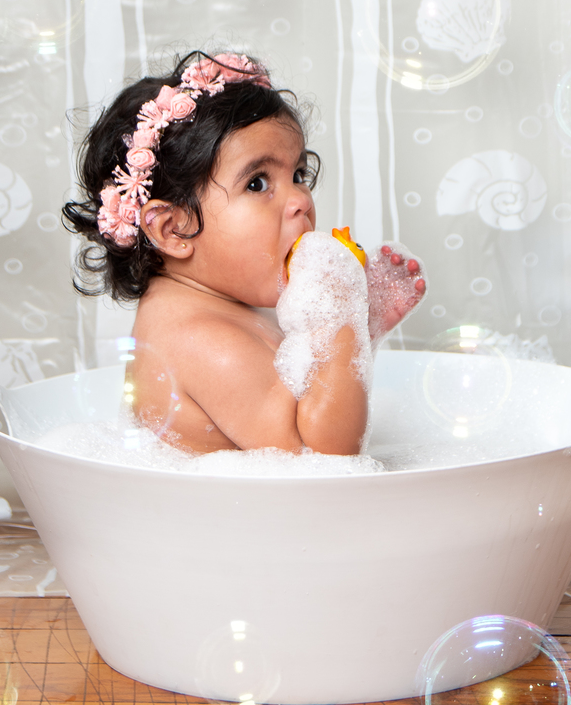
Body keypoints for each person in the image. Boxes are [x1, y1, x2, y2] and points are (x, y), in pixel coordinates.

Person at [63, 51, 424, 455]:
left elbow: (304, 395)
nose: (300, 201)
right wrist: (339, 317)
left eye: (298, 175)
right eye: (257, 183)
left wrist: (356, 327)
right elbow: (326, 458)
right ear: (172, 228)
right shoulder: (201, 341)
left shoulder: (217, 307)